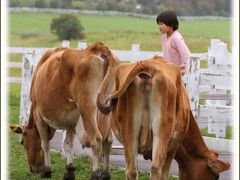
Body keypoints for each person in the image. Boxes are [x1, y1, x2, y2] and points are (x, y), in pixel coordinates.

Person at [156, 10, 191, 75]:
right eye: (158, 24)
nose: (159, 27)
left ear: (170, 24)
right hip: (169, 72)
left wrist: (187, 74)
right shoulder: (164, 36)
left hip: (179, 74)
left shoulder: (176, 38)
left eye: (161, 24)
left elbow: (187, 56)